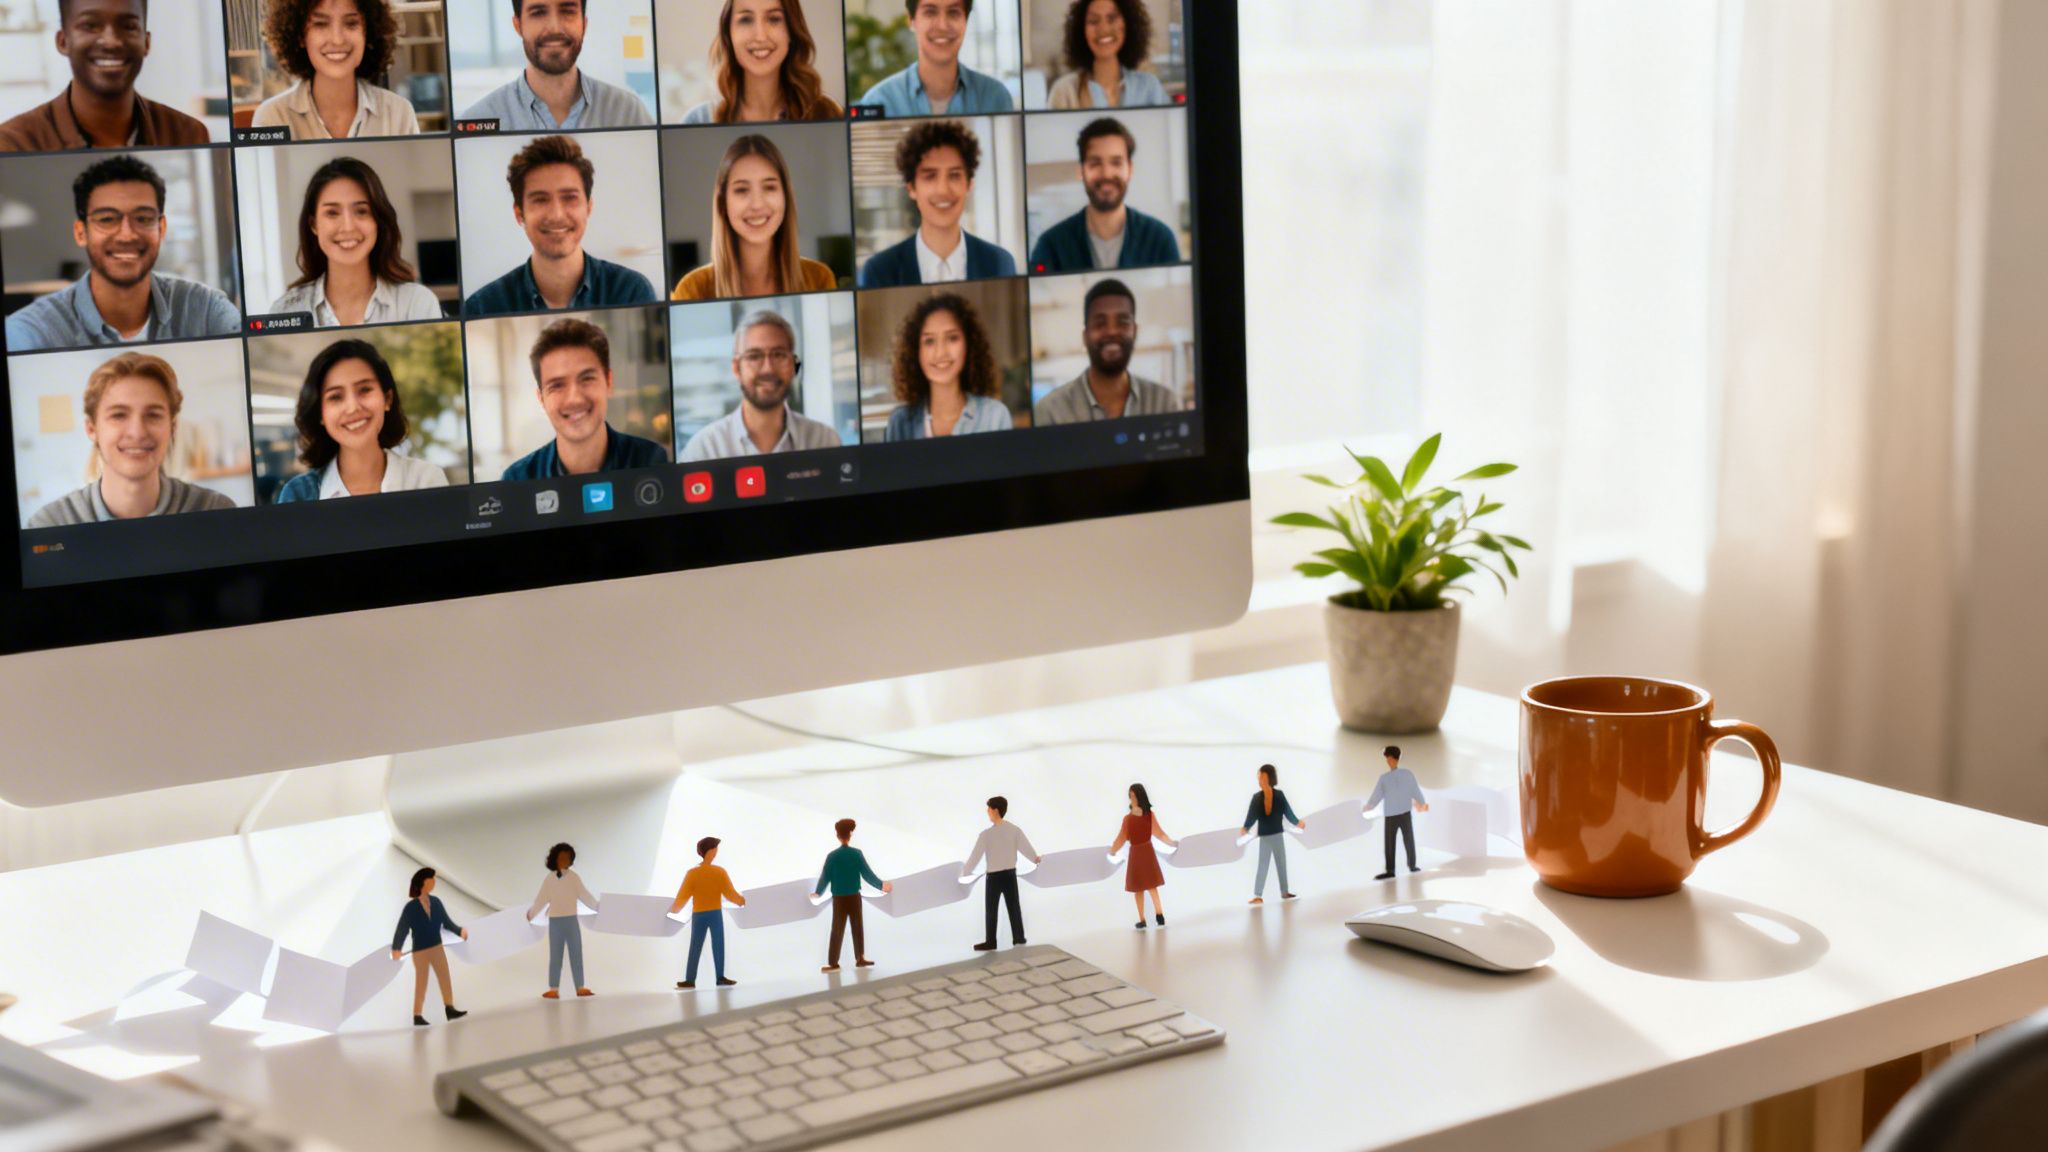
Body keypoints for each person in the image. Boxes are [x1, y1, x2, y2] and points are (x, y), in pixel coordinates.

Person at [5, 155, 239, 351]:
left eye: (143, 219)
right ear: (80, 232)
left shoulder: (208, 310)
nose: (127, 235)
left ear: (162, 228)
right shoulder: (30, 332)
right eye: (107, 219)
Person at [25, 352, 236, 527]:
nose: (137, 432)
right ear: (91, 429)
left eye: (153, 415)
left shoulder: (216, 511)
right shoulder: (49, 524)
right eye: (118, 415)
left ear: (172, 428)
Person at [464, 134, 658, 317]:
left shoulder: (631, 291)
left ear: (588, 207)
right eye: (540, 200)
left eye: (569, 198)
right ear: (519, 213)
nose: (556, 214)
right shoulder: (482, 307)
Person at [0, 0, 210, 151]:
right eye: (90, 26)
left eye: (128, 27)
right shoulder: (14, 143)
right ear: (63, 41)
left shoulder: (188, 134)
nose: (111, 41)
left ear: (146, 43)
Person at [267, 157, 442, 327]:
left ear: (377, 222)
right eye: (332, 213)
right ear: (314, 225)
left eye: (361, 211)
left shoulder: (418, 304)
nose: (348, 227)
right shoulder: (284, 311)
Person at [274, 340, 450, 502]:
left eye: (364, 390)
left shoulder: (426, 479)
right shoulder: (298, 494)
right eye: (335, 397)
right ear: (320, 414)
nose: (353, 407)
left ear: (387, 399)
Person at [670, 134, 838, 300]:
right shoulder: (692, 289)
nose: (757, 204)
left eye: (769, 187)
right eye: (742, 190)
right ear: (723, 202)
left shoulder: (819, 279)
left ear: (785, 196)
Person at [502, 318, 671, 480]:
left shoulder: (651, 460)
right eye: (557, 385)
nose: (574, 399)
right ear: (541, 399)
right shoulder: (516, 478)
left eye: (587, 378)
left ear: (608, 382)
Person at [857, 120, 1017, 288]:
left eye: (954, 175)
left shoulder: (1000, 263)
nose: (943, 190)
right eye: (930, 176)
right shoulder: (879, 271)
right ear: (912, 188)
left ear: (969, 185)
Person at [463, 0, 654, 131]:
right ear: (518, 25)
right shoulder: (477, 119)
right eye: (538, 12)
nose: (554, 27)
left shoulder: (628, 113)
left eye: (567, 11)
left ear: (584, 24)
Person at [678, 309, 840, 460]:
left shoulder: (825, 441)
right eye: (754, 356)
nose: (768, 368)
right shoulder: (705, 449)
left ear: (793, 365)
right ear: (736, 368)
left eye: (778, 355)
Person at [1027, 117, 1180, 273]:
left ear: (1130, 169)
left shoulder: (1160, 240)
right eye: (1095, 163)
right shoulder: (1051, 245)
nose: (1106, 174)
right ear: (1081, 171)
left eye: (1116, 162)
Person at [253, 0, 420, 140]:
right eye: (320, 24)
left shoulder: (399, 114)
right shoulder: (272, 118)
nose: (337, 39)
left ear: (368, 32)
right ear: (300, 37)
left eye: (351, 23)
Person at [1032, 278, 1181, 425]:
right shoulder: (1050, 412)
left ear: (1135, 332)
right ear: (1085, 336)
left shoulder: (1165, 403)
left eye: (1122, 322)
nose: (1111, 331)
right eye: (1100, 323)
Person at [681, 0, 842, 124]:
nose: (760, 36)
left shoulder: (827, 111)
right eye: (746, 20)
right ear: (728, 33)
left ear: (791, 31)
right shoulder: (699, 120)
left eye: (773, 19)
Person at [882, 293, 1014, 441]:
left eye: (952, 338)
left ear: (969, 345)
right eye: (929, 341)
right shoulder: (900, 422)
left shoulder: (995, 416)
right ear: (915, 351)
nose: (941, 353)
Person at [857, 0, 1012, 117]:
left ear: (966, 20)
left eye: (953, 12)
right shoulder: (879, 101)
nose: (943, 26)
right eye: (930, 12)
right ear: (911, 20)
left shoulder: (996, 97)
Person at [1046, 0, 1168, 110]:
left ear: (1127, 24)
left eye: (1112, 18)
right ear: (1081, 31)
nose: (1103, 29)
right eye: (1094, 21)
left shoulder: (1150, 87)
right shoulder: (1065, 91)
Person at [390, 867, 468, 1027]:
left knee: (445, 977)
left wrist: (459, 931)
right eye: (431, 879)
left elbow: (446, 922)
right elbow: (402, 929)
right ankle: (417, 1015)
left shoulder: (436, 902)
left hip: (437, 947)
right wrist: (396, 948)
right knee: (421, 982)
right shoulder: (410, 908)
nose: (434, 882)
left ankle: (450, 1008)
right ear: (423, 882)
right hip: (420, 951)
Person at [962, 796, 1039, 952]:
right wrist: (1035, 858)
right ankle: (1018, 937)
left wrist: (965, 871)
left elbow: (975, 856)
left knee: (992, 910)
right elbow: (1027, 848)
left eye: (989, 808)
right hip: (1009, 875)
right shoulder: (1014, 830)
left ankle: (991, 941)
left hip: (994, 877)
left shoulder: (986, 835)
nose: (987, 812)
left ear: (996, 810)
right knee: (1013, 907)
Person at [813, 818, 891, 972]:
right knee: (857, 927)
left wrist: (818, 892)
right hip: (854, 897)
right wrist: (881, 885)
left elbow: (825, 876)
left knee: (837, 929)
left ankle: (833, 962)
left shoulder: (832, 856)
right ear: (850, 834)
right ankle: (860, 958)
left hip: (839, 898)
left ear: (837, 835)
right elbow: (867, 874)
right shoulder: (856, 854)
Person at [669, 836, 746, 990]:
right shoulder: (718, 872)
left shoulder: (693, 873)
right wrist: (742, 901)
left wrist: (674, 909)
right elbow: (730, 893)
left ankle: (694, 979)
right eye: (715, 849)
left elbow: (683, 896)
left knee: (697, 945)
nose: (716, 852)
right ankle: (716, 978)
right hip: (713, 914)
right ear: (710, 851)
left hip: (700, 914)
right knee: (715, 944)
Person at [527, 842, 598, 999]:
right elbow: (541, 899)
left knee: (576, 953)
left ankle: (580, 986)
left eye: (567, 858)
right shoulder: (550, 879)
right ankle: (553, 988)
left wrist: (597, 907)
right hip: (555, 921)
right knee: (555, 955)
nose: (564, 860)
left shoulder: (574, 878)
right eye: (561, 857)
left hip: (571, 920)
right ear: (555, 859)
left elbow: (585, 895)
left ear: (571, 860)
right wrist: (532, 913)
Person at [1109, 783, 1176, 929]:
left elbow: (1160, 833)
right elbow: (1121, 838)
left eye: (1133, 795)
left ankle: (1159, 914)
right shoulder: (1128, 819)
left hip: (1146, 852)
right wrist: (1112, 850)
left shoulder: (1149, 815)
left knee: (1152, 886)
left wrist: (1172, 843)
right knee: (1138, 888)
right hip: (1136, 854)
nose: (1131, 798)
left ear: (1140, 796)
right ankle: (1142, 919)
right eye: (1130, 796)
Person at [1241, 763, 1305, 904]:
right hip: (1265, 836)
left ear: (1270, 778)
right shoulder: (1256, 798)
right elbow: (1251, 815)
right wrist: (1245, 827)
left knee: (1281, 863)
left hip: (1277, 835)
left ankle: (1284, 892)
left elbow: (1288, 812)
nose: (1260, 780)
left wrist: (1297, 822)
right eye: (1259, 777)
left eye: (1263, 777)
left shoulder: (1279, 795)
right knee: (1262, 865)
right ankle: (1258, 895)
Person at [1366, 745, 1430, 880]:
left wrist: (1369, 805)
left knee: (1392, 842)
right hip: (1403, 813)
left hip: (1393, 815)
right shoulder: (1407, 774)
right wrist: (1422, 802)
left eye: (1387, 758)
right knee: (1408, 839)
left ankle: (1392, 869)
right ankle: (1411, 866)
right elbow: (1416, 791)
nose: (1386, 761)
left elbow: (1377, 795)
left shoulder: (1385, 778)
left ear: (1389, 758)